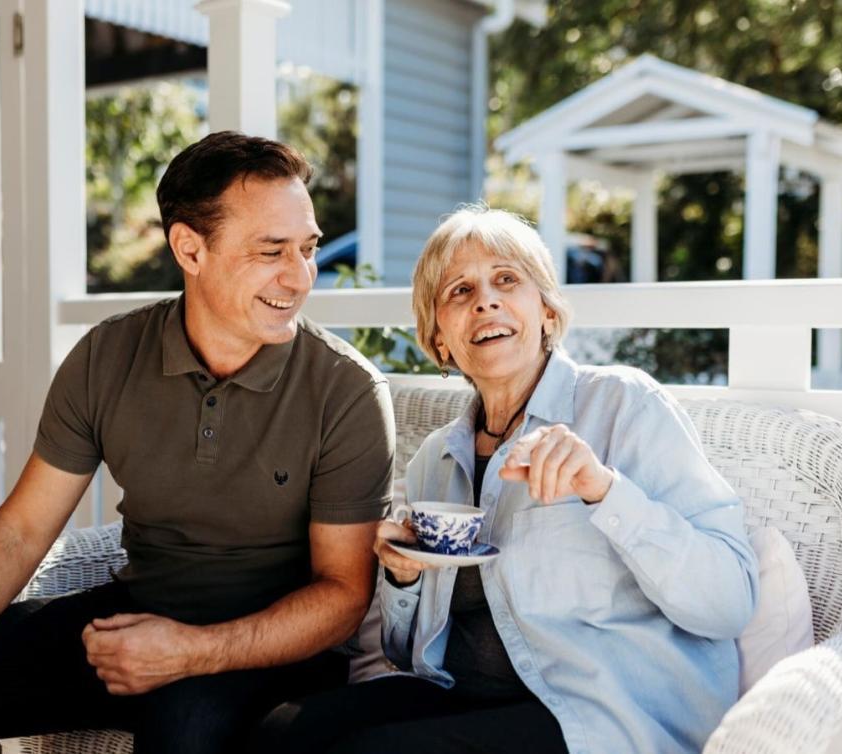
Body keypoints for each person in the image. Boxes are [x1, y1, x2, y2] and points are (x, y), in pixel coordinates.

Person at [0, 132, 395, 754]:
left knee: (186, 731)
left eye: (307, 249)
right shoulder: (107, 356)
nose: (300, 277)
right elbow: (20, 531)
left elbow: (342, 595)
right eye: (271, 251)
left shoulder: (348, 389)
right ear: (189, 249)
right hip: (131, 618)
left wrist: (192, 652)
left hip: (273, 647)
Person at [257, 206, 758, 754]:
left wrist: (604, 489)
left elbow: (728, 602)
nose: (485, 301)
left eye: (506, 280)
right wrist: (402, 581)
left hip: (600, 718)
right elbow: (405, 655)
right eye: (459, 292)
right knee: (282, 730)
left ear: (545, 311)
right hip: (465, 699)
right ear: (440, 340)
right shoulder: (435, 462)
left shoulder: (622, 407)